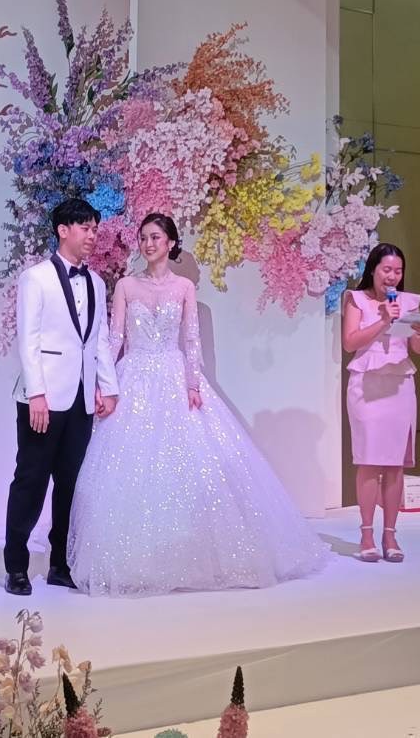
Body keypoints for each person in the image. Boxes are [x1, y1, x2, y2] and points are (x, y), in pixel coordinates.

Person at [68, 213, 328, 596]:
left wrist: (192, 383)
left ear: (171, 243)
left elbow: (192, 339)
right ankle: (135, 559)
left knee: (186, 463)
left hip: (174, 376)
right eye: (144, 237)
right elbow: (114, 339)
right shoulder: (125, 285)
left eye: (156, 237)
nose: (148, 244)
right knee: (130, 466)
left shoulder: (184, 287)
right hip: (134, 376)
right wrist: (103, 384)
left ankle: (187, 554)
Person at [3, 197, 119, 596]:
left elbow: (99, 339)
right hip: (43, 398)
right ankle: (16, 566)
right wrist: (36, 394)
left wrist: (108, 387)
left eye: (95, 229)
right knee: (31, 480)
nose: (92, 236)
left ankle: (60, 564)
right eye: (85, 228)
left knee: (71, 484)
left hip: (81, 398)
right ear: (63, 230)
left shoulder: (97, 283)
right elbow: (28, 339)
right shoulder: (35, 278)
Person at [342, 243, 420, 563]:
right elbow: (349, 342)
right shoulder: (357, 299)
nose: (393, 276)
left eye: (398, 271)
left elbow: (418, 349)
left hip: (400, 385)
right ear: (373, 270)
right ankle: (366, 534)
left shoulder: (409, 302)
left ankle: (390, 535)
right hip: (366, 385)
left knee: (394, 464)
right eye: (387, 270)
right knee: (369, 461)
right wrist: (382, 320)